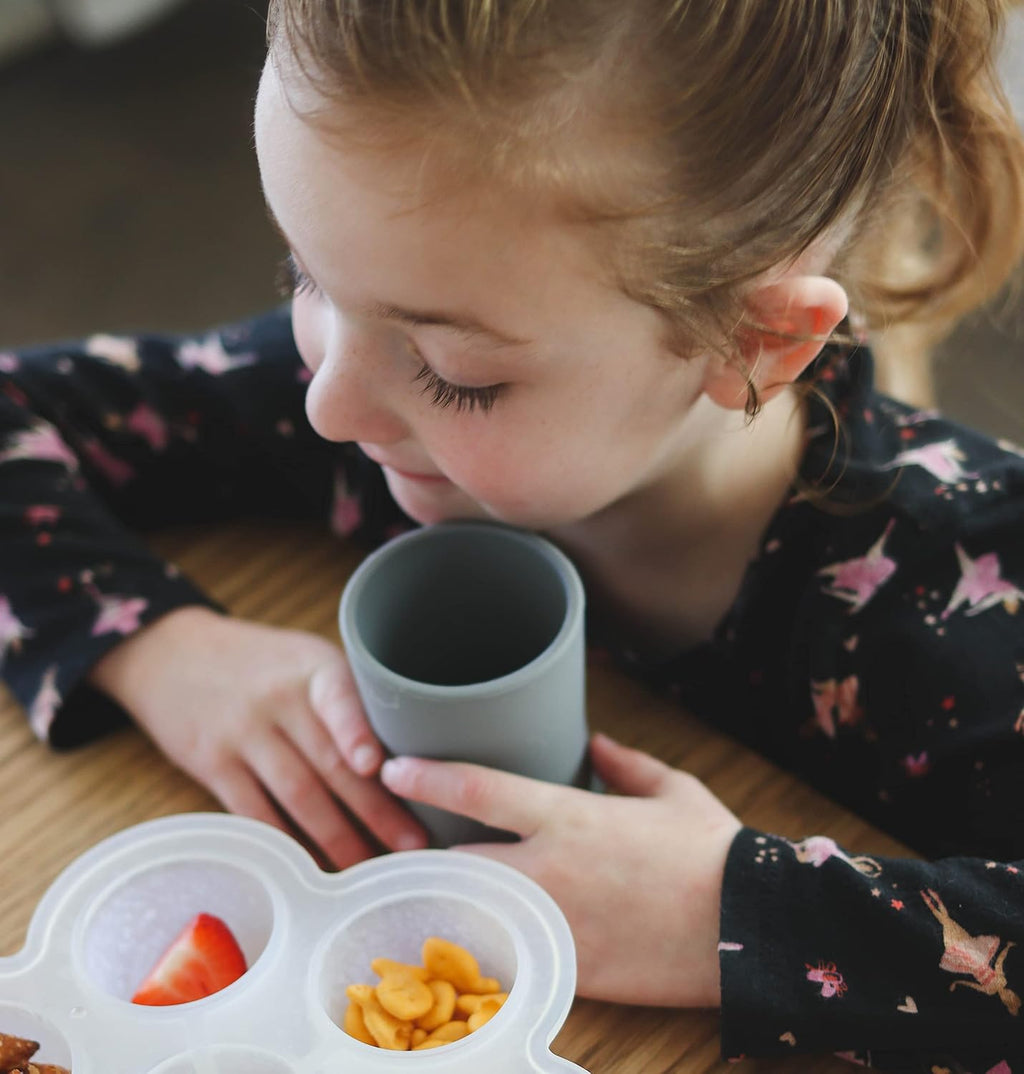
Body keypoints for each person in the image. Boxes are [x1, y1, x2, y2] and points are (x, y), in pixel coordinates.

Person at [2, 0, 1024, 1066]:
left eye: (459, 376)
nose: (327, 406)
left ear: (754, 340)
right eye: (302, 274)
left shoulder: (967, 586)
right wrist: (161, 649)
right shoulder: (369, 366)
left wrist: (729, 914)